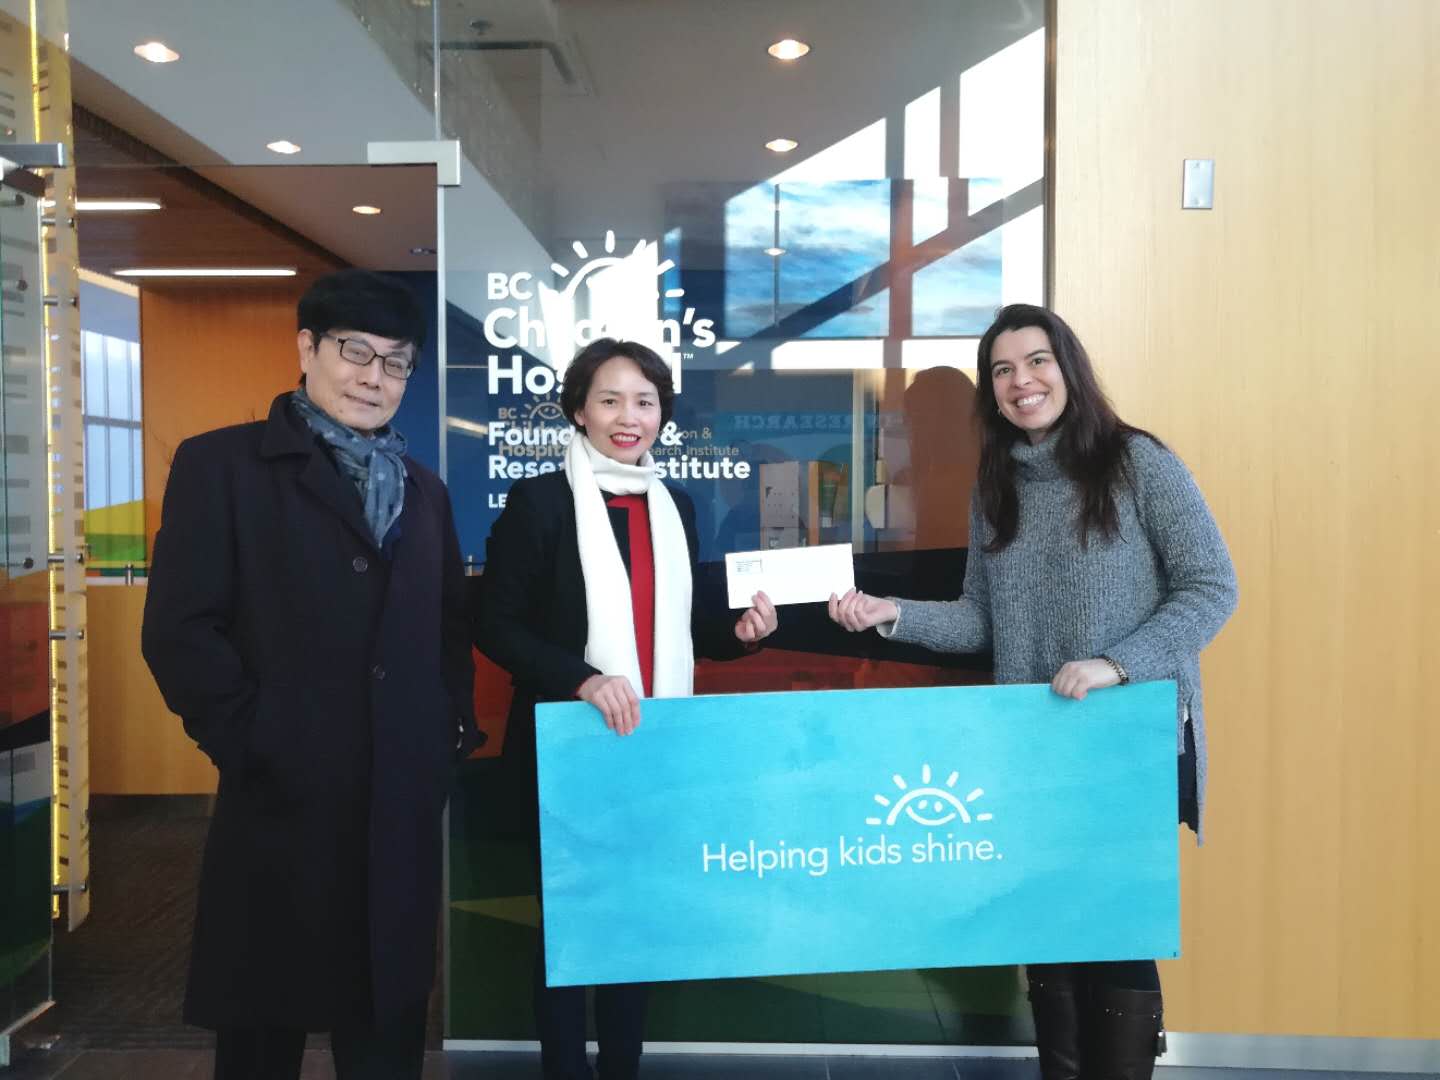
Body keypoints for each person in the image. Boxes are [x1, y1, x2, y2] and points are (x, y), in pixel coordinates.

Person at [828, 304, 1237, 1080]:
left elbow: (1212, 587)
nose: (1022, 381)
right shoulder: (997, 487)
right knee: (1047, 929)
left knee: (1114, 930)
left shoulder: (1138, 462)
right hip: (1036, 744)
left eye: (1037, 361)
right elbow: (982, 621)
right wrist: (892, 614)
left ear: (1068, 367)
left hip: (1128, 740)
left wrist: (1116, 663)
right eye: (1003, 370)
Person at [141, 269, 479, 1080]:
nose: (373, 377)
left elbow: (445, 631)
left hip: (396, 799)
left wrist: (443, 738)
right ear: (306, 348)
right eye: (354, 351)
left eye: (395, 362)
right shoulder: (222, 465)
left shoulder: (425, 492)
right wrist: (254, 742)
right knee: (264, 1028)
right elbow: (180, 630)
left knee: (386, 1030)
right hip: (280, 798)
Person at [473, 337, 778, 1080]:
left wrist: (740, 635)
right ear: (579, 411)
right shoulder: (542, 502)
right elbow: (496, 624)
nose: (628, 417)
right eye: (609, 400)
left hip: (652, 748)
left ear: (661, 415)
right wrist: (582, 678)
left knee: (636, 922)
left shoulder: (674, 505)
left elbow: (685, 626)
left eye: (644, 402)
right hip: (568, 746)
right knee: (571, 927)